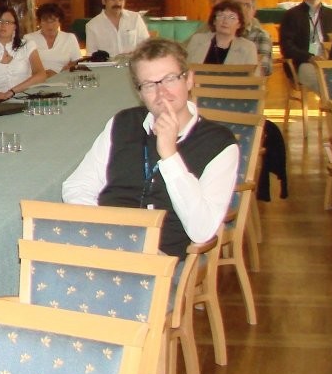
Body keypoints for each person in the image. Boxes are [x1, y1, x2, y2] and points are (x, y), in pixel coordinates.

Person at [62, 39, 238, 263]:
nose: (161, 92)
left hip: (163, 262)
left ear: (189, 80)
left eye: (170, 79)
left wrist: (170, 156)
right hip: (107, 248)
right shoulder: (123, 123)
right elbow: (76, 187)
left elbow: (201, 230)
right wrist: (111, 235)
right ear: (139, 92)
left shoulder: (219, 143)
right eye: (149, 85)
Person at [279, 0, 332, 94]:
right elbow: (287, 47)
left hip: (328, 62)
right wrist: (309, 57)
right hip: (304, 63)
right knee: (326, 83)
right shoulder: (292, 15)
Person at [185, 0, 260, 68]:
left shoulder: (248, 47)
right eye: (221, 15)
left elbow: (253, 76)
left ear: (239, 24)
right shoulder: (197, 40)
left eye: (232, 17)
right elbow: (185, 68)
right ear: (214, 21)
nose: (225, 21)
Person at [84, 0, 151, 58]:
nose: (117, 3)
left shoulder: (135, 18)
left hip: (133, 63)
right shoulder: (92, 26)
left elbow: (146, 47)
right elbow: (91, 56)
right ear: (103, 1)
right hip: (107, 65)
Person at [23, 2, 83, 73]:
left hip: (62, 76)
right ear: (39, 22)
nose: (50, 25)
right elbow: (23, 65)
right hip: (38, 77)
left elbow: (77, 62)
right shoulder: (29, 38)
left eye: (53, 21)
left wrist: (70, 68)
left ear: (59, 21)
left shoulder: (69, 38)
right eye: (45, 21)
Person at [230, 0, 273, 77]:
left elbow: (263, 70)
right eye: (237, 6)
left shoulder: (261, 35)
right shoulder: (218, 34)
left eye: (247, 5)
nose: (242, 10)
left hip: (248, 83)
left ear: (254, 10)